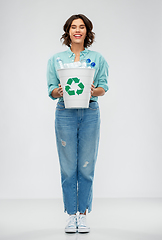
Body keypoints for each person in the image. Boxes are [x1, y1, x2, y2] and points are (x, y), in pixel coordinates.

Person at [46, 14, 109, 233]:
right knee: (68, 167)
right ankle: (70, 214)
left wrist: (94, 90)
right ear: (68, 31)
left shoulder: (98, 58)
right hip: (65, 113)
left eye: (81, 27)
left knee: (86, 166)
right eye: (73, 27)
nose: (77, 30)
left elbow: (104, 87)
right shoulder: (56, 59)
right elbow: (51, 90)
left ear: (87, 31)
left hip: (90, 111)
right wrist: (59, 91)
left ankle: (82, 215)